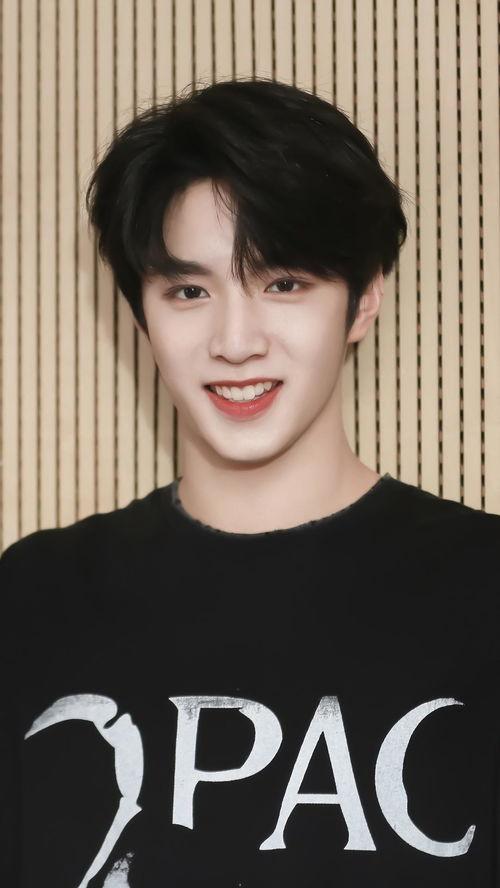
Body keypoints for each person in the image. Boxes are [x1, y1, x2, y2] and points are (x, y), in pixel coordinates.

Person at [1, 76, 499, 887]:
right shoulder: (32, 600)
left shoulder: (483, 588)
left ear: (364, 299)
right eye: (189, 291)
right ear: (142, 316)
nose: (235, 341)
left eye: (284, 283)